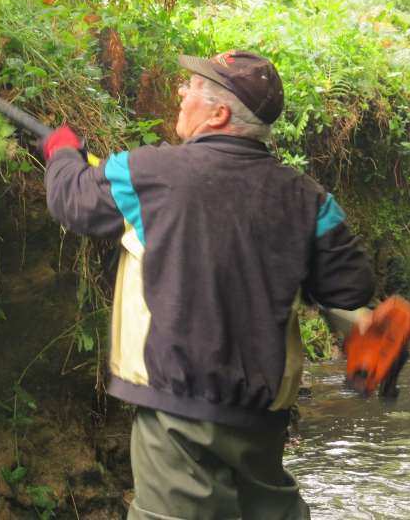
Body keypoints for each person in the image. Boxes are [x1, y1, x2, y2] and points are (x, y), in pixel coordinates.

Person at [42, 51, 375, 519]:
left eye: (191, 87)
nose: (181, 92)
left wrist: (61, 153)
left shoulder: (146, 173)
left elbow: (73, 201)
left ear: (219, 114)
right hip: (262, 422)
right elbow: (351, 288)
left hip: (176, 414)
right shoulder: (310, 200)